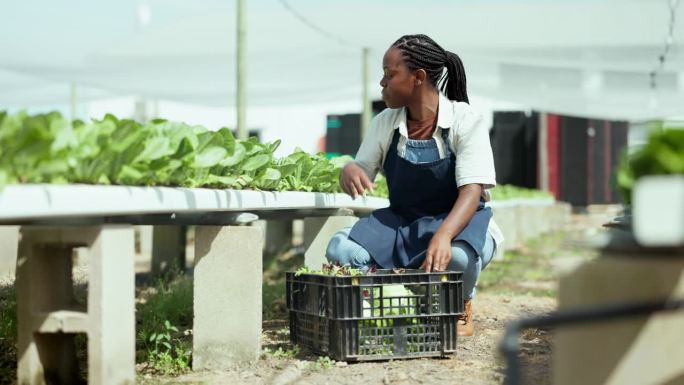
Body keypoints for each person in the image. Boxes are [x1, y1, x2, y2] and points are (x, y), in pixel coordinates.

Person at [325, 34, 504, 337]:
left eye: (390, 74)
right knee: (340, 248)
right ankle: (390, 299)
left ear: (418, 77)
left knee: (458, 258)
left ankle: (460, 302)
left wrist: (445, 235)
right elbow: (363, 165)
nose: (382, 83)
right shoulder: (386, 122)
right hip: (404, 221)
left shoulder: (464, 120)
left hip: (458, 222)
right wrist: (350, 168)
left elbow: (472, 191)